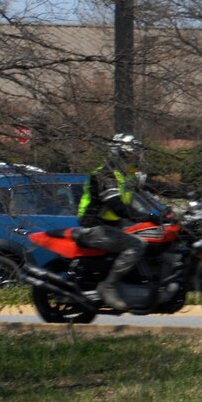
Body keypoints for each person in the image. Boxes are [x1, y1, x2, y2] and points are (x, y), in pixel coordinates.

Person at [76, 133, 152, 310]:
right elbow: (116, 205)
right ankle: (108, 285)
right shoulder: (105, 175)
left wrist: (187, 193)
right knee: (136, 245)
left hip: (112, 226)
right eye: (133, 153)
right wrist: (146, 216)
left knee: (152, 236)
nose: (136, 157)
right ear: (121, 154)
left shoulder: (126, 175)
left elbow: (156, 185)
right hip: (94, 227)